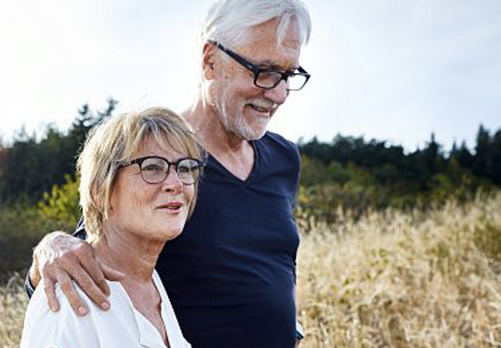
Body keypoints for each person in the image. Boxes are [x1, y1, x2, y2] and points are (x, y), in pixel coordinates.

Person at [25, 0, 313, 346]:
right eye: (263, 72)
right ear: (210, 60)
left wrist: (289, 329)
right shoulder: (157, 162)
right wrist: (50, 246)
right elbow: (93, 245)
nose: (279, 93)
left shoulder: (284, 158)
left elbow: (276, 266)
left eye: (288, 75)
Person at [20, 107, 202, 348]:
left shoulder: (152, 284)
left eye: (185, 168)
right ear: (100, 191)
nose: (176, 183)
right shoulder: (67, 298)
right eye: (152, 167)